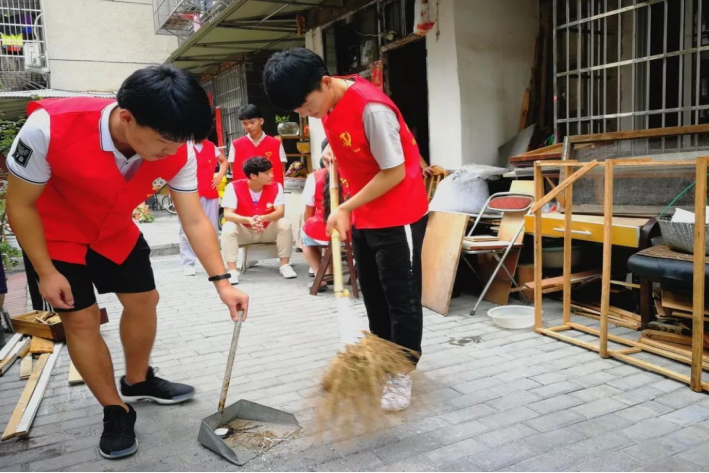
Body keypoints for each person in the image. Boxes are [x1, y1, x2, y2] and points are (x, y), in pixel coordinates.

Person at [5, 65, 249, 460]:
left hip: (115, 230)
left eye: (179, 144)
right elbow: (19, 204)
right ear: (126, 117)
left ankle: (137, 380)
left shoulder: (178, 147)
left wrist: (223, 282)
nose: (171, 153)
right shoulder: (48, 127)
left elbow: (193, 218)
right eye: (164, 142)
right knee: (80, 320)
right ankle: (116, 409)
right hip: (57, 238)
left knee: (144, 300)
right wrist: (46, 271)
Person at [263, 48, 429, 412]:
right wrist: (334, 155)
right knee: (371, 292)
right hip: (364, 213)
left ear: (325, 82)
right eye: (299, 112)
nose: (307, 115)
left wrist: (344, 207)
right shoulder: (329, 103)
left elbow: (394, 171)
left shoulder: (372, 108)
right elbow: (354, 146)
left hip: (397, 212)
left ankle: (401, 373)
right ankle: (381, 361)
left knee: (400, 299)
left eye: (307, 106)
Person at [221, 157, 296, 283]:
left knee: (284, 223)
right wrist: (248, 220)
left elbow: (280, 212)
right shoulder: (233, 187)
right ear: (253, 176)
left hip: (267, 230)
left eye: (271, 171)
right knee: (228, 226)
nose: (271, 175)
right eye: (267, 173)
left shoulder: (276, 186)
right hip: (244, 231)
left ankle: (285, 265)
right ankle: (233, 270)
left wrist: (263, 218)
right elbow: (228, 214)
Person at [179, 139, 228, 276]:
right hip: (187, 193)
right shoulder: (182, 145)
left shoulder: (210, 145)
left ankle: (214, 263)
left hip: (209, 191)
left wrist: (219, 176)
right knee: (186, 229)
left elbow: (224, 161)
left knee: (212, 228)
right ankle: (188, 263)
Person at [301, 157, 346, 292]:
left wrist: (306, 224)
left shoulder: (314, 177)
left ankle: (318, 276)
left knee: (304, 235)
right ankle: (329, 270)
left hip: (322, 231)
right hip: (352, 231)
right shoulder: (352, 172)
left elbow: (308, 211)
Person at [229, 104, 287, 186]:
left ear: (261, 121)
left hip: (270, 189)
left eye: (252, 122)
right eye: (244, 123)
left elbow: (282, 167)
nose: (249, 126)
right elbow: (233, 168)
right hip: (245, 191)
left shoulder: (276, 143)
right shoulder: (236, 144)